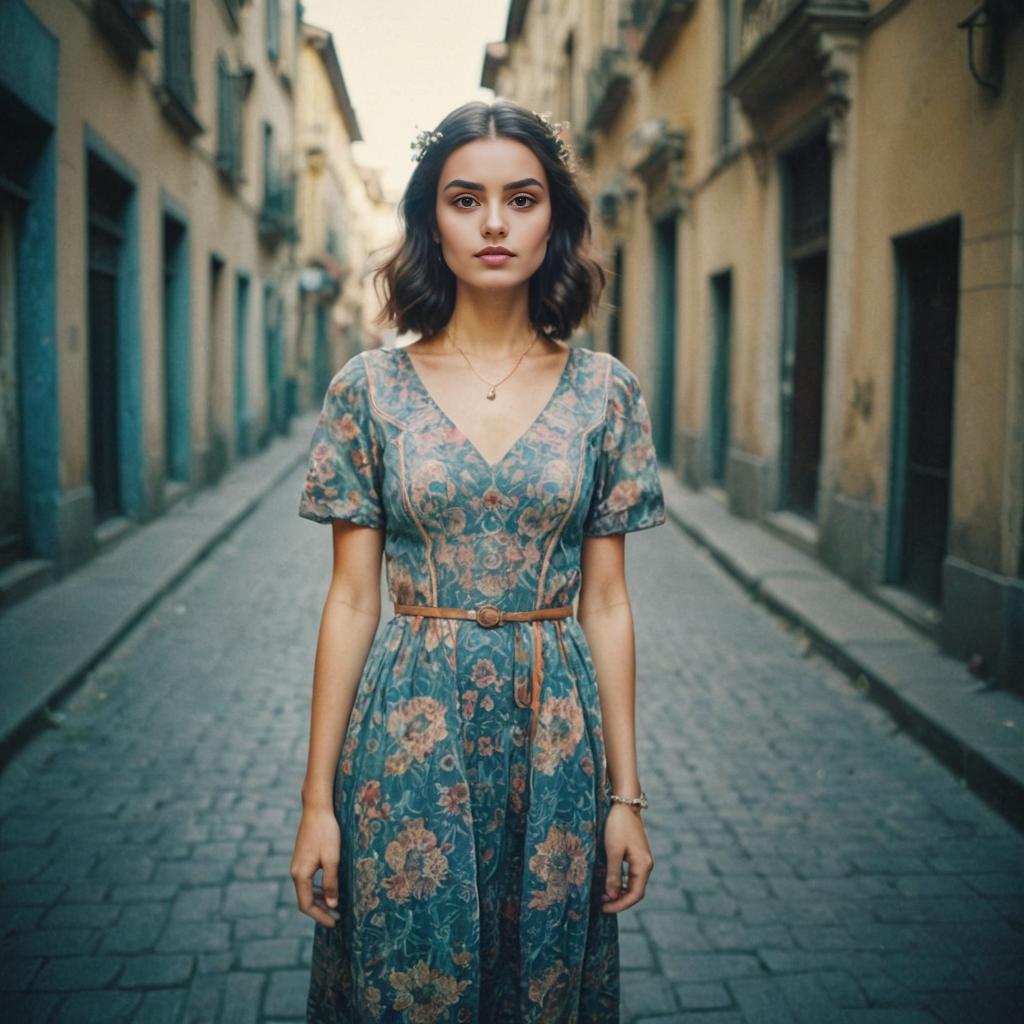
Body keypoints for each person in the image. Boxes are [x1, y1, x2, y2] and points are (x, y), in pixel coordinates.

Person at [290, 98, 667, 1023]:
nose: (495, 223)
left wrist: (629, 797)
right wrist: (315, 804)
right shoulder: (367, 389)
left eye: (522, 198)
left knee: (541, 981)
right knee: (411, 969)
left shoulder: (606, 393)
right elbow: (349, 602)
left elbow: (608, 605)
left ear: (557, 221)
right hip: (408, 728)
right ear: (431, 222)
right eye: (466, 199)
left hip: (559, 736)